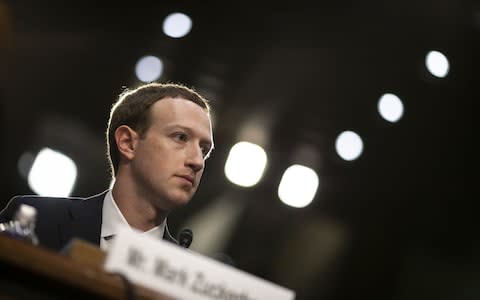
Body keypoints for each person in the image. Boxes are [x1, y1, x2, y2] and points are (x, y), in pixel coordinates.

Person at [0, 82, 214, 252]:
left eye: (204, 150)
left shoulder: (185, 274)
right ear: (128, 143)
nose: (197, 161)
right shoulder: (38, 220)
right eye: (180, 137)